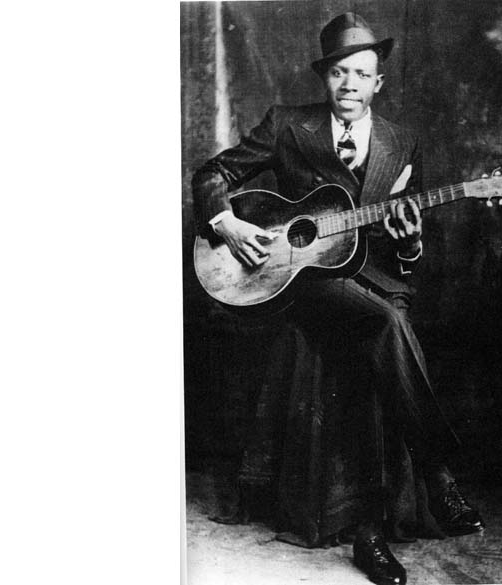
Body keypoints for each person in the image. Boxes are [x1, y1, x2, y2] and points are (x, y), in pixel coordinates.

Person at [192, 13, 482, 585]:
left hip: (376, 279)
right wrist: (227, 223)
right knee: (385, 323)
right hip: (305, 281)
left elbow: (406, 247)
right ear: (325, 77)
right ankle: (436, 473)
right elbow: (212, 173)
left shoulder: (403, 142)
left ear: (379, 82)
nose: (350, 84)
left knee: (383, 321)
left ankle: (372, 528)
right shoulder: (287, 125)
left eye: (362, 74)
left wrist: (410, 239)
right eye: (339, 72)